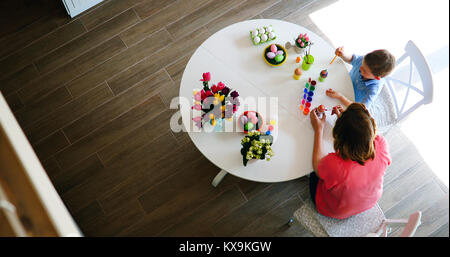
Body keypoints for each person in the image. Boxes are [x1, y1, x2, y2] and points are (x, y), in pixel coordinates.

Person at [308, 103, 391, 219]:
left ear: (340, 137)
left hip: (335, 210)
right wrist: (351, 125)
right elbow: (366, 132)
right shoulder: (382, 144)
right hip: (369, 202)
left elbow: (316, 166)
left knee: (312, 174)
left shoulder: (333, 164)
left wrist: (318, 130)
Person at [326, 47, 396, 109]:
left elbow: (361, 108)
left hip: (350, 100)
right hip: (345, 81)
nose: (360, 68)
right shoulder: (365, 60)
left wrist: (340, 97)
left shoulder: (374, 88)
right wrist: (343, 55)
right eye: (362, 64)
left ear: (376, 78)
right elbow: (352, 59)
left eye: (365, 71)